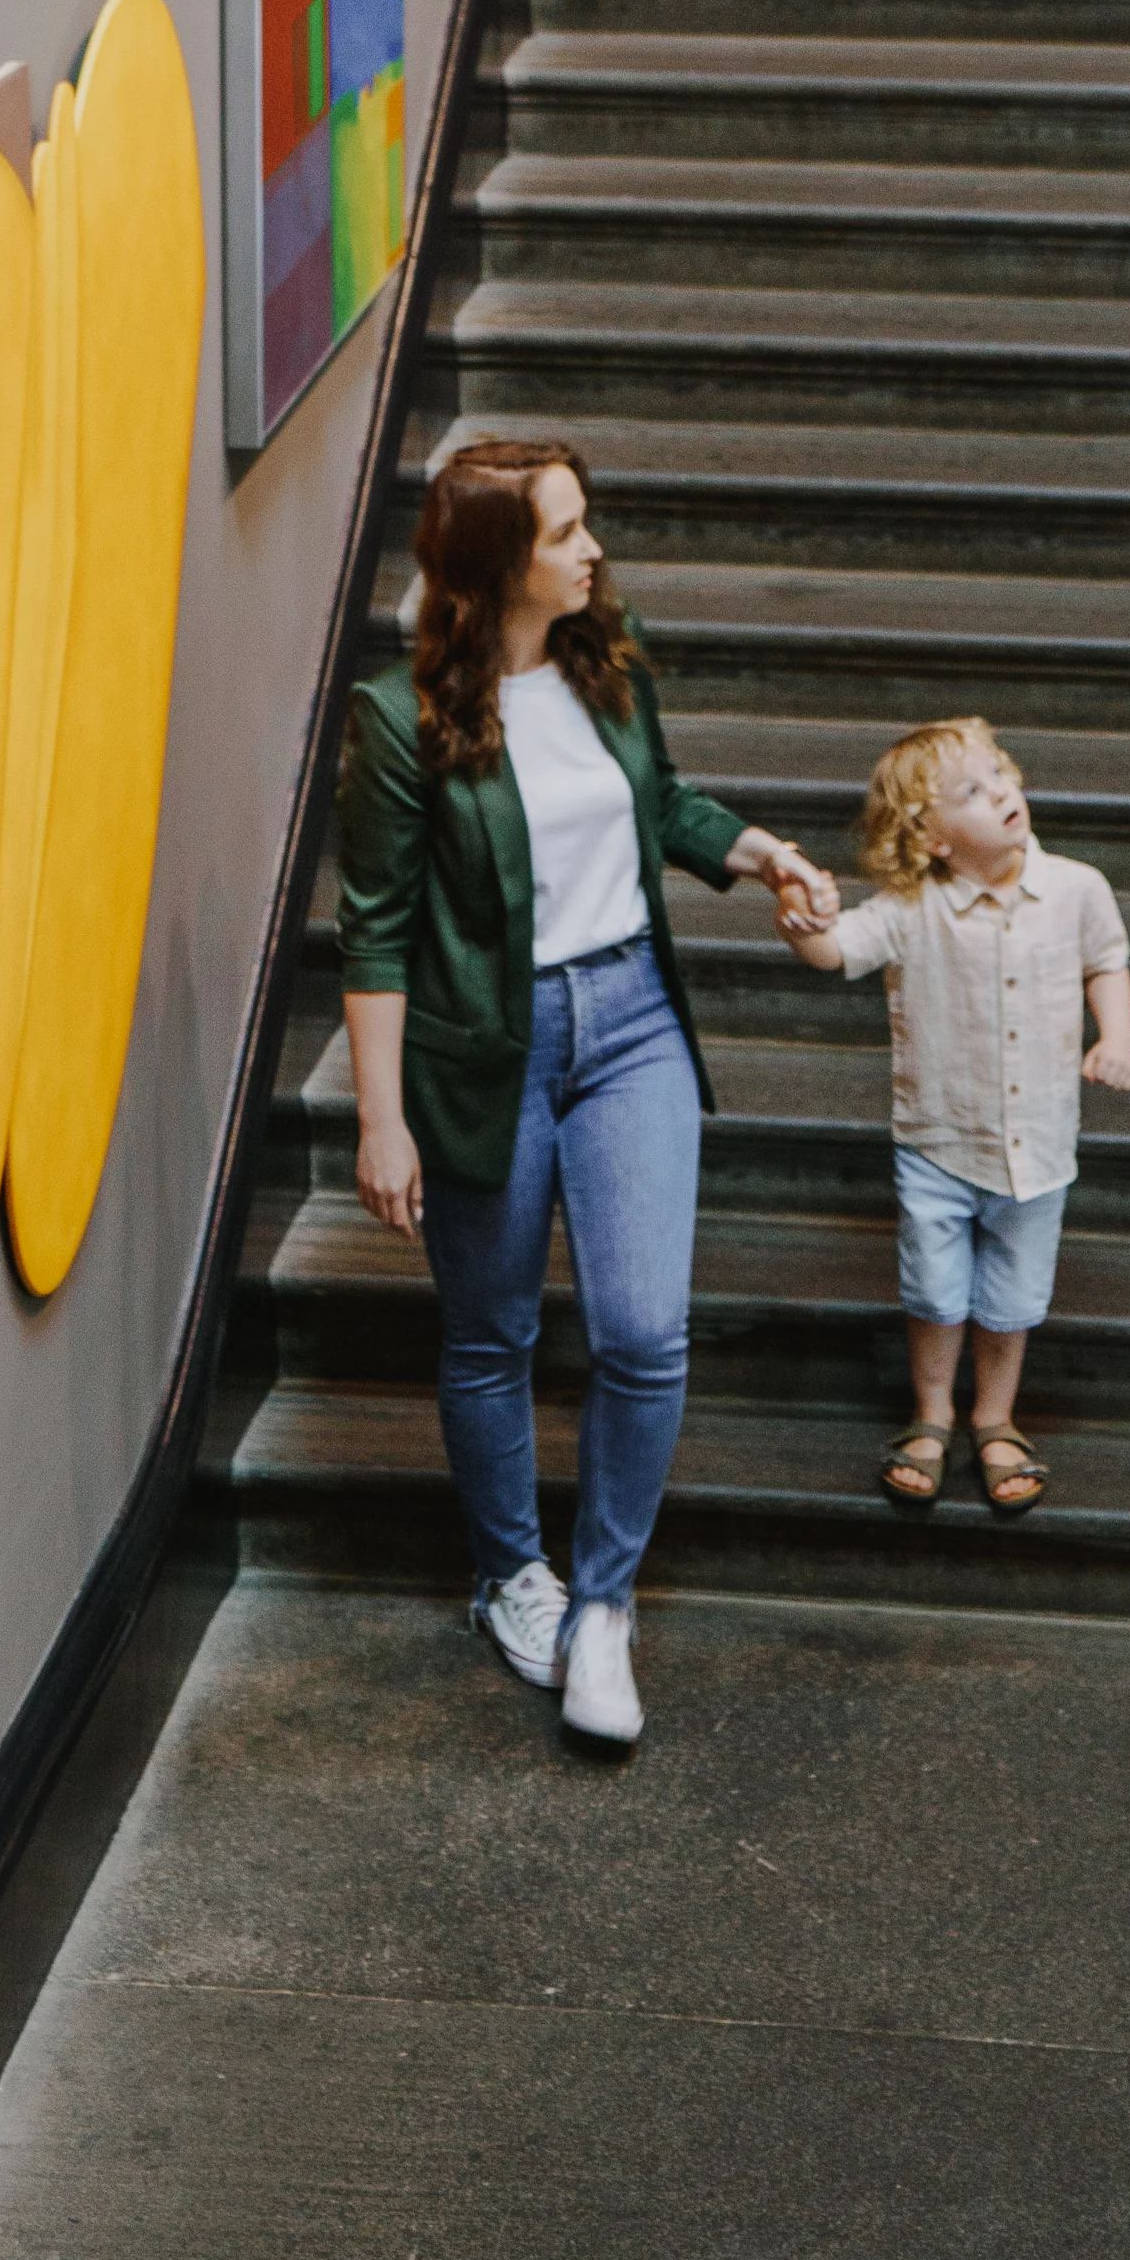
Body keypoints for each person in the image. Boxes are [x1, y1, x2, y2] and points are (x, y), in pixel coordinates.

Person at [333, 437, 835, 1753]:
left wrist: (758, 853)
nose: (590, 550)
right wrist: (379, 1118)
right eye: (563, 533)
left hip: (627, 1023)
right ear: (500, 563)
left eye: (582, 526)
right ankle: (513, 1578)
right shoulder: (401, 722)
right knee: (488, 1337)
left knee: (641, 1332)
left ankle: (601, 1603)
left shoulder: (605, 663)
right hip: (482, 1049)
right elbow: (375, 931)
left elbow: (656, 801)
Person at [776, 717, 1130, 1516]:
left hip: (1036, 1145)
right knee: (936, 1294)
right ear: (931, 837)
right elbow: (840, 949)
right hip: (938, 1140)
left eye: (1001, 774)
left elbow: (1105, 960)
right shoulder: (911, 906)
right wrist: (802, 925)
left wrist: (1117, 1035)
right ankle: (932, 1412)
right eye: (970, 792)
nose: (1002, 792)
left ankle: (995, 1417)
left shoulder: (1077, 888)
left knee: (1010, 1298)